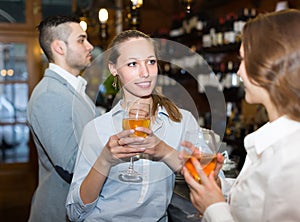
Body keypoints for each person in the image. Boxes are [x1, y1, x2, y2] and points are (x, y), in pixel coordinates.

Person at [66, 29, 224, 221]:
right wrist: (105, 160)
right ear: (114, 68)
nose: (145, 73)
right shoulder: (97, 128)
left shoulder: (181, 121)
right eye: (133, 64)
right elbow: (75, 212)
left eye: (151, 62)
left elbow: (214, 186)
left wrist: (164, 151)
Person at [181, 9, 300, 221]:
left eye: (244, 60)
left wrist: (213, 207)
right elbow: (255, 203)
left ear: (270, 65)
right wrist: (218, 188)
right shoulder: (272, 137)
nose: (238, 72)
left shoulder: (292, 159)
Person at [27, 15, 99, 222]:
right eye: (81, 40)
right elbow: (73, 164)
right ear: (59, 47)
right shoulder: (50, 95)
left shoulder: (75, 90)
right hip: (60, 212)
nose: (90, 46)